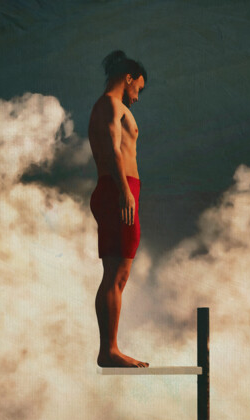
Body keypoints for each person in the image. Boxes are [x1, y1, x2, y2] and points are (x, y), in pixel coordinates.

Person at [88, 50, 149, 368]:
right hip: (118, 189)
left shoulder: (109, 106)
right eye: (138, 88)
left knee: (119, 274)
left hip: (118, 189)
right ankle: (108, 350)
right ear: (128, 78)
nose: (137, 97)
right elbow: (112, 148)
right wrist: (125, 191)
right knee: (116, 274)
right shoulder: (111, 105)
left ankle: (110, 348)